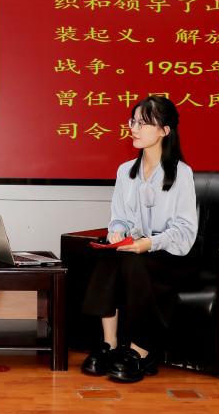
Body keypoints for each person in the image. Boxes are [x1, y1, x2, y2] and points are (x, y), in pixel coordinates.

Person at [79, 95, 199, 383]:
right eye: (133, 122)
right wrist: (117, 232)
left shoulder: (181, 174)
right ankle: (109, 344)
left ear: (164, 131)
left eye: (143, 124)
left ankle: (140, 350)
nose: (134, 128)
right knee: (109, 255)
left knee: (135, 263)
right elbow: (118, 217)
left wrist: (150, 243)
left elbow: (185, 231)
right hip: (136, 247)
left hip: (168, 254)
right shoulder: (125, 171)